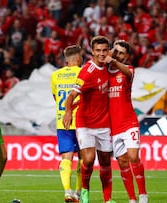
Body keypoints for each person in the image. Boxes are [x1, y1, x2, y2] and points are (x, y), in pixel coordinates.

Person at [63, 36, 115, 203]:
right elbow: (71, 96)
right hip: (85, 123)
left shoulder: (108, 65)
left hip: (104, 123)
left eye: (104, 50)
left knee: (106, 161)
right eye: (97, 50)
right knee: (89, 159)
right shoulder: (87, 72)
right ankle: (84, 192)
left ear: (108, 51)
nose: (101, 53)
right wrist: (68, 112)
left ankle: (107, 199)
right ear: (92, 52)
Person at [106, 40, 148, 203]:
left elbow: (127, 72)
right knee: (122, 162)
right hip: (112, 126)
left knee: (133, 156)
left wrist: (114, 61)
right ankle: (132, 198)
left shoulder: (128, 70)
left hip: (129, 122)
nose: (118, 54)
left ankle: (143, 194)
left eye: (121, 52)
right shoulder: (104, 71)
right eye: (115, 51)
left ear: (127, 56)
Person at [51, 45, 83, 202]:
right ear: (78, 59)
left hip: (62, 121)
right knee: (84, 158)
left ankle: (67, 192)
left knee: (67, 157)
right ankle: (78, 192)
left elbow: (56, 97)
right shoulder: (82, 72)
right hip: (81, 120)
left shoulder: (55, 75)